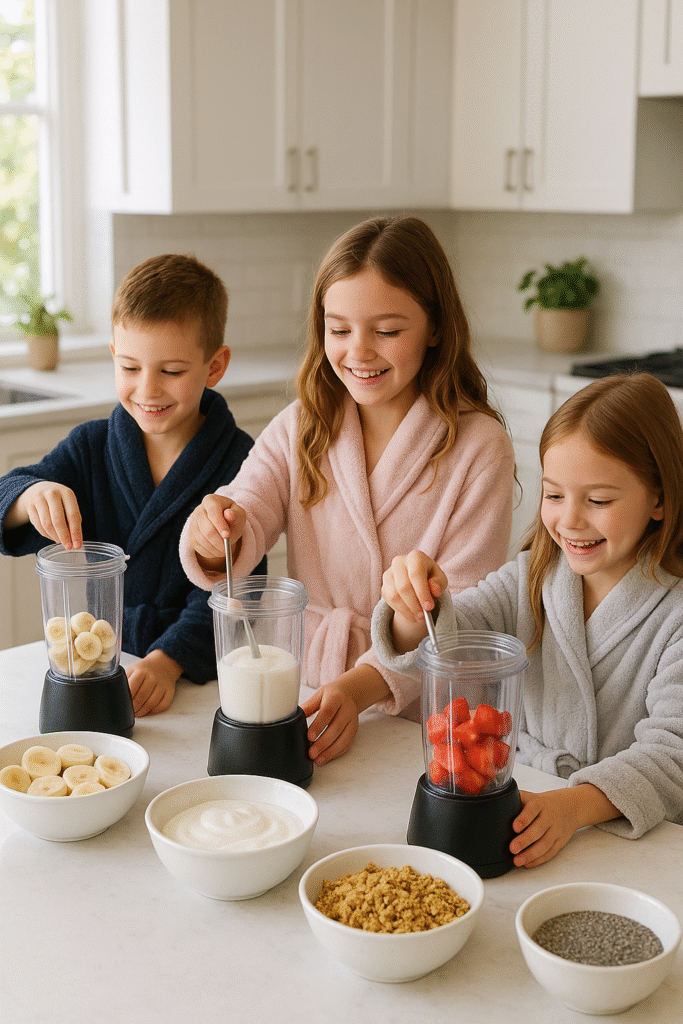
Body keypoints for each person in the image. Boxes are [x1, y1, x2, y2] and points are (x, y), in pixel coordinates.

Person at [179, 216, 515, 764]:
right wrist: (215, 529)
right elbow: (246, 510)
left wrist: (363, 688)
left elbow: (468, 613)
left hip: (424, 715)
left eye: (386, 331)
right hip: (314, 687)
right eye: (338, 330)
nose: (358, 352)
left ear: (435, 327)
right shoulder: (304, 422)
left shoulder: (479, 445)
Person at [372, 372, 683, 867]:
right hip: (526, 803)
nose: (570, 521)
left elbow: (674, 754)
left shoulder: (675, 614)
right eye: (554, 495)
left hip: (631, 840)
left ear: (661, 498)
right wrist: (415, 605)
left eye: (599, 500)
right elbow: (454, 640)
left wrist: (572, 806)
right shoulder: (533, 576)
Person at [0, 253, 265, 716]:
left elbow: (240, 586)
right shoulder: (92, 446)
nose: (147, 389)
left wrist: (169, 661)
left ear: (215, 366)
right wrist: (29, 495)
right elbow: (7, 493)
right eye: (130, 367)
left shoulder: (243, 460)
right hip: (103, 660)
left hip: (194, 676)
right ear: (113, 356)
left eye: (172, 371)